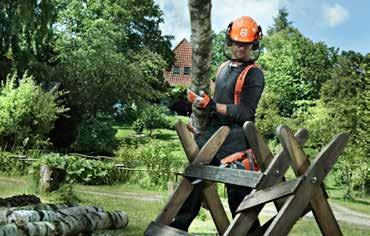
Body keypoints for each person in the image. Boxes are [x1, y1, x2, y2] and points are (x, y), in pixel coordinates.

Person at [170, 16, 265, 232]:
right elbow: (216, 106)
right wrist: (199, 108)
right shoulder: (223, 68)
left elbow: (245, 112)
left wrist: (212, 105)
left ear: (253, 45)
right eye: (237, 42)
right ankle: (177, 228)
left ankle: (249, 232)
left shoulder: (254, 74)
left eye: (245, 44)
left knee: (238, 198)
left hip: (238, 142)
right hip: (214, 136)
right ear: (230, 41)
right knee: (193, 179)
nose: (240, 48)